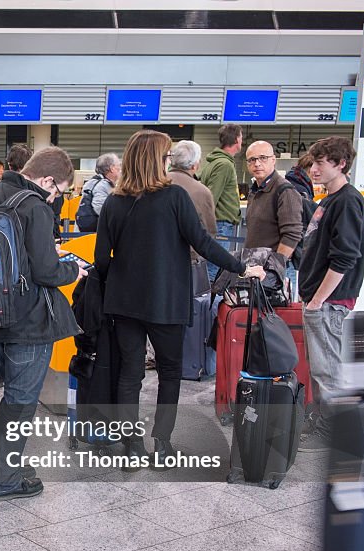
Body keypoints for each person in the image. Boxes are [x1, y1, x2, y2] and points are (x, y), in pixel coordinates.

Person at [95, 130, 264, 469]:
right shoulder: (174, 197)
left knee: (130, 374)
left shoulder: (114, 200)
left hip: (124, 302)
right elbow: (203, 243)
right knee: (170, 372)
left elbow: (101, 258)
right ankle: (162, 444)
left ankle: (132, 448)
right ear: (159, 159)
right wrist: (243, 268)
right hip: (166, 300)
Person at [0, 146, 85, 499]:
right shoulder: (34, 207)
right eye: (58, 190)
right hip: (27, 318)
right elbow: (47, 270)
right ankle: (6, 480)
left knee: (7, 397)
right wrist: (73, 268)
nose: (56, 198)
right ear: (47, 180)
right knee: (20, 399)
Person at [298, 136, 364, 441]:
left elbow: (345, 258)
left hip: (328, 302)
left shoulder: (348, 201)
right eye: (312, 163)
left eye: (321, 163)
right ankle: (325, 422)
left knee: (327, 371)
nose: (313, 169)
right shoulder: (329, 200)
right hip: (319, 300)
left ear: (341, 164)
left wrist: (317, 301)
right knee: (320, 368)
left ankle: (333, 431)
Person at [199, 123, 244, 280]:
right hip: (220, 225)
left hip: (219, 224)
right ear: (237, 140)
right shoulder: (224, 164)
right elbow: (211, 196)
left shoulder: (214, 162)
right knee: (213, 269)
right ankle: (207, 303)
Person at [168, 140, 218, 259]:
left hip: (159, 255)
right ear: (195, 165)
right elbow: (209, 230)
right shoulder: (202, 191)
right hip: (189, 256)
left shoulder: (155, 183)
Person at [75, 153, 120, 231]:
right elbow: (100, 208)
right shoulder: (102, 185)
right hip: (94, 232)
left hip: (83, 229)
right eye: (118, 165)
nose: (120, 168)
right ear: (112, 168)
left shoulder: (93, 182)